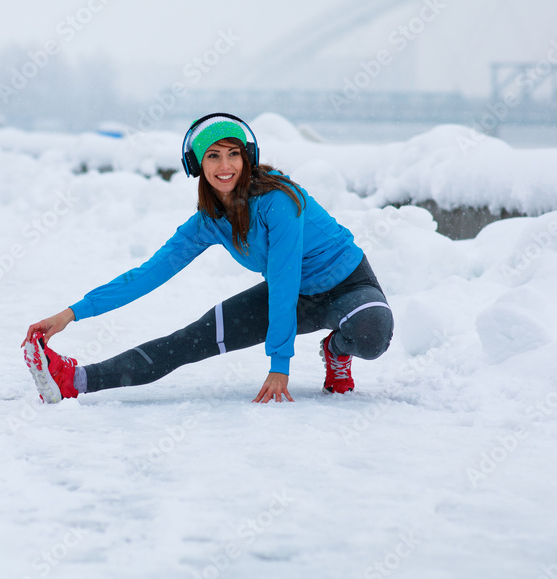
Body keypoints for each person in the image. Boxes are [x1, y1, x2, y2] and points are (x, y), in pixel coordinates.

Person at [23, 113, 393, 404]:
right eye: (212, 156)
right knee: (188, 342)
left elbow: (283, 277)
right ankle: (74, 380)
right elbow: (147, 274)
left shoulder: (279, 200)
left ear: (247, 157)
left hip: (349, 285)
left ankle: (335, 349)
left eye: (233, 153)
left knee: (372, 334)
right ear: (197, 165)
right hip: (293, 298)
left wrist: (280, 365)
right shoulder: (208, 222)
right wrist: (71, 313)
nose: (224, 165)